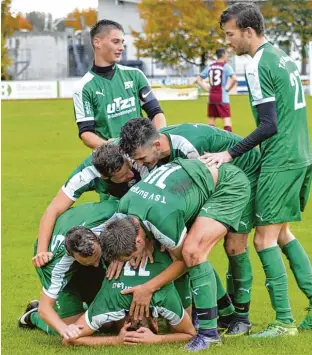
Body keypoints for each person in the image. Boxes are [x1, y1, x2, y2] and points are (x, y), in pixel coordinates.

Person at [200, 2, 312, 337]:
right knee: (282, 232)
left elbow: (269, 125)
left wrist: (229, 154)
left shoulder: (257, 64)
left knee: (263, 240)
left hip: (281, 159)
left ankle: (284, 322)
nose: (228, 42)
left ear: (248, 31)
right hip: (303, 155)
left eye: (230, 35)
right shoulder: (282, 56)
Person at [119, 118, 261, 334]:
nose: (139, 164)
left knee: (232, 245)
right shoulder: (152, 150)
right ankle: (223, 310)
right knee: (188, 246)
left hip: (243, 171)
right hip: (210, 178)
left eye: (141, 158)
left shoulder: (189, 149)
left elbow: (200, 187)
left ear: (156, 146)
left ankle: (241, 316)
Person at [100, 158, 250, 351]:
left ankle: (208, 334)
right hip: (193, 180)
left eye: (130, 257)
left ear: (138, 240)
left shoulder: (162, 221)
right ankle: (227, 315)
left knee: (193, 253)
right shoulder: (125, 208)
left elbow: (184, 262)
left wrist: (148, 288)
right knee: (184, 251)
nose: (133, 261)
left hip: (228, 184)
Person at [32, 143, 148, 272]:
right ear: (104, 177)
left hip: (147, 191)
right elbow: (54, 209)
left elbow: (153, 203)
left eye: (129, 168)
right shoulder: (84, 175)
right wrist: (41, 251)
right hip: (115, 197)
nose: (131, 175)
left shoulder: (136, 156)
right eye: (123, 175)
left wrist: (145, 239)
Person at [62, 239, 196, 346]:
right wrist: (156, 339)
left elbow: (69, 340)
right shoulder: (164, 300)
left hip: (145, 237)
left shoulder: (110, 302)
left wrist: (116, 341)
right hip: (152, 239)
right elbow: (190, 334)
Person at [19, 200, 120, 340]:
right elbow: (45, 308)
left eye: (97, 257)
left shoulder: (112, 213)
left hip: (85, 222)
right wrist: (64, 330)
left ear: (96, 237)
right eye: (89, 263)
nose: (97, 265)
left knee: (108, 324)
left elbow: (137, 209)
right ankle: (32, 316)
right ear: (71, 255)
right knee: (72, 326)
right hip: (58, 264)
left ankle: (85, 307)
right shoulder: (55, 265)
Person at [73, 19, 166, 149]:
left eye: (122, 42)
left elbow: (156, 112)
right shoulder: (84, 87)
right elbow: (86, 133)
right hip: (113, 162)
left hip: (144, 155)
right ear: (97, 42)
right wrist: (113, 149)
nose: (121, 47)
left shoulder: (135, 75)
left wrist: (158, 140)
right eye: (115, 42)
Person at [196, 48, 237, 132]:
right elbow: (234, 79)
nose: (227, 56)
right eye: (226, 54)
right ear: (223, 55)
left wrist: (207, 89)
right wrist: (227, 88)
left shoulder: (210, 66)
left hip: (212, 97)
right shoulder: (225, 66)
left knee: (211, 119)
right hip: (222, 97)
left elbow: (199, 79)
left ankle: (211, 142)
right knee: (226, 119)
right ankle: (229, 142)